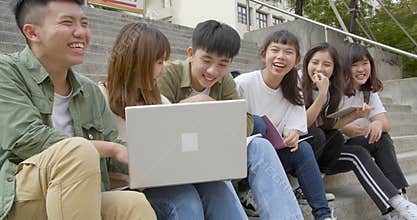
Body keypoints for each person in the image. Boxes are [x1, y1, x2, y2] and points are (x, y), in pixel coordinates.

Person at [0, 0, 156, 219]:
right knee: (78, 151)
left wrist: (155, 158)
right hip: (19, 196)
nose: (81, 32)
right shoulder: (6, 71)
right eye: (67, 22)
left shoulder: (89, 91)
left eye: (84, 23)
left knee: (132, 204)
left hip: (79, 194)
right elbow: (26, 138)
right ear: (32, 32)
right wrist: (111, 148)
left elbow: (115, 152)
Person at [99, 22, 249, 220]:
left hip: (160, 182)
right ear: (136, 61)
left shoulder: (160, 101)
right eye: (159, 62)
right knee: (187, 202)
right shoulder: (100, 96)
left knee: (218, 188)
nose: (163, 71)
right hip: (124, 190)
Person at [157, 20, 303, 219]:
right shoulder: (168, 74)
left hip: (212, 154)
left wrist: (215, 110)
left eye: (222, 64)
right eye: (206, 60)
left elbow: (246, 123)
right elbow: (156, 126)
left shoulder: (225, 81)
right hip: (176, 159)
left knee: (260, 146)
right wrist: (192, 104)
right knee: (212, 191)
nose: (213, 71)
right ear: (191, 54)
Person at [234, 30, 335, 220]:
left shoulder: (293, 89)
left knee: (303, 149)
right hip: (239, 162)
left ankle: (324, 216)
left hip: (269, 161)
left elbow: (296, 124)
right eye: (275, 50)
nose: (281, 57)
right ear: (264, 54)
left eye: (288, 52)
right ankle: (244, 191)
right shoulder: (242, 84)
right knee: (257, 124)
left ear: (297, 60)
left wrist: (292, 134)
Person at [338, 43, 417, 219]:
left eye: (365, 63)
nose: (361, 69)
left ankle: (400, 201)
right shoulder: (333, 89)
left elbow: (384, 122)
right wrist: (344, 126)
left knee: (383, 138)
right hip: (331, 151)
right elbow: (320, 123)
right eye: (355, 65)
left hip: (351, 145)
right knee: (358, 152)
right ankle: (395, 205)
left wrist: (378, 124)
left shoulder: (367, 92)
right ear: (344, 66)